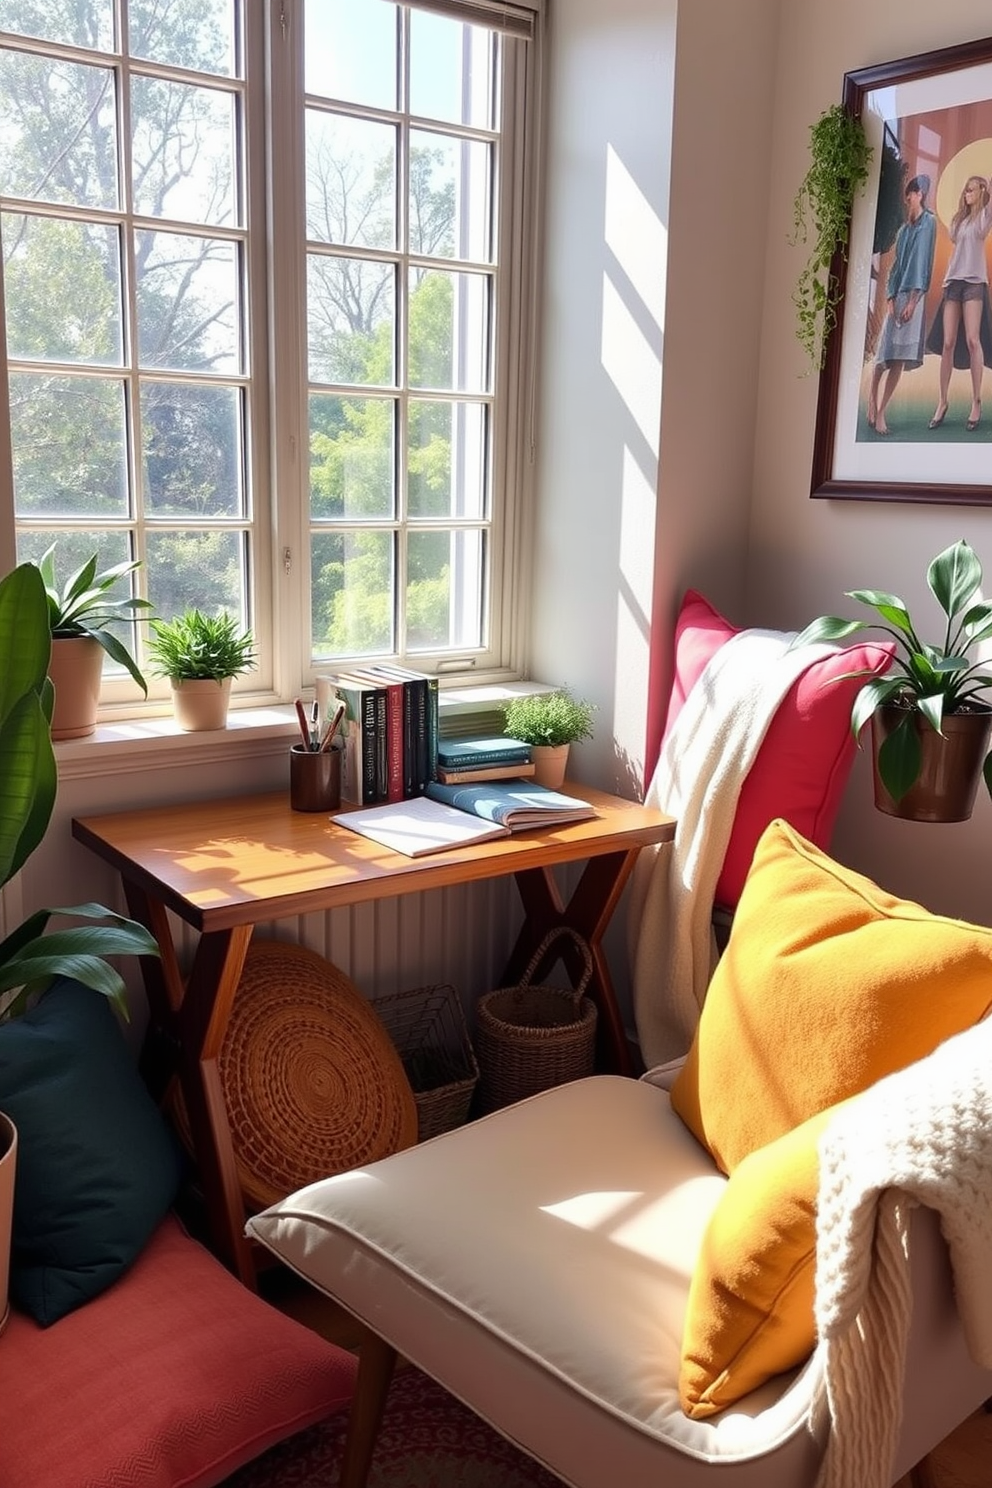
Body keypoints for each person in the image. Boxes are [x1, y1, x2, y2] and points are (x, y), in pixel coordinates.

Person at [867, 174, 937, 436]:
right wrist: (889, 298)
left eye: (913, 192)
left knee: (898, 359)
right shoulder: (904, 230)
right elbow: (896, 266)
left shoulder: (929, 224)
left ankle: (882, 411)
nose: (908, 197)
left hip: (914, 296)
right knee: (883, 355)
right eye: (908, 192)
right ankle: (871, 401)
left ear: (921, 194)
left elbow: (924, 263)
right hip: (896, 296)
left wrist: (915, 300)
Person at [925, 172, 992, 432]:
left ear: (981, 193)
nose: (968, 194)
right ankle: (942, 402)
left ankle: (976, 402)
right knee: (948, 341)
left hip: (974, 282)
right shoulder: (959, 221)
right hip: (953, 282)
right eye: (967, 190)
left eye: (973, 190)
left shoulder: (984, 218)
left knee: (973, 340)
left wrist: (986, 183)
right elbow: (955, 237)